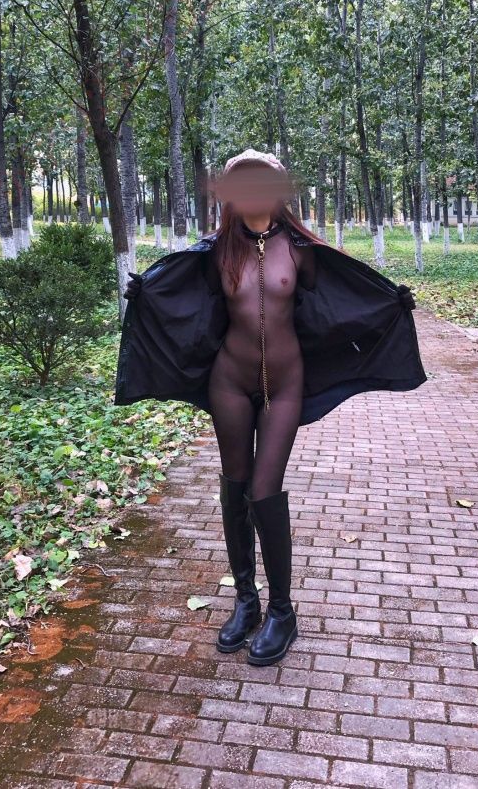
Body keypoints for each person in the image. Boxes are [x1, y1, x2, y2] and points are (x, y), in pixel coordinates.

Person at [120, 147, 423, 667]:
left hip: (285, 384)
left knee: (264, 490)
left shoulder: (301, 250)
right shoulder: (216, 251)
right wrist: (148, 295)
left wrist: (388, 305)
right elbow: (190, 305)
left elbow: (334, 304)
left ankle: (283, 610)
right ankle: (246, 601)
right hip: (229, 382)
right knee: (235, 485)